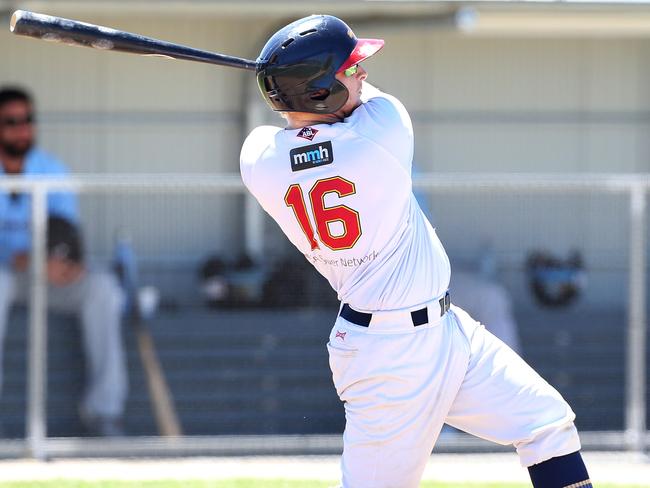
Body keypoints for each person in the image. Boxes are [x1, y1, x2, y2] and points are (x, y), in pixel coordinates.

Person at [240, 15, 592, 488]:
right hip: (389, 356)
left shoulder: (259, 161)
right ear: (321, 91)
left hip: (444, 331)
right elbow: (356, 106)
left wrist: (292, 79)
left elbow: (292, 130)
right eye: (351, 69)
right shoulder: (381, 132)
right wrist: (304, 75)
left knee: (547, 424)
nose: (361, 74)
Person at [0, 87, 127, 437]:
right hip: (5, 275)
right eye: (11, 122)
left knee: (103, 289)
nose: (21, 129)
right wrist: (23, 259)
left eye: (27, 120)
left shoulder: (50, 168)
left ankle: (104, 413)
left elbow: (65, 233)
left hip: (44, 274)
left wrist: (64, 262)